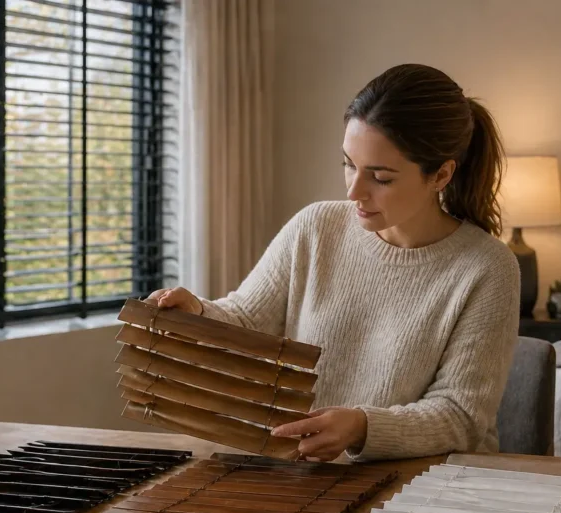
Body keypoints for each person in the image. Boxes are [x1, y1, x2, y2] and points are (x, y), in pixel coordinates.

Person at [146, 63, 521, 462]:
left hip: (424, 489)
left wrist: (362, 426)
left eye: (381, 177)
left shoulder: (487, 268)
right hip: (305, 475)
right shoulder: (315, 227)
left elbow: (460, 416)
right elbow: (246, 319)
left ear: (441, 174)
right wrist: (197, 313)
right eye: (348, 164)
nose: (354, 190)